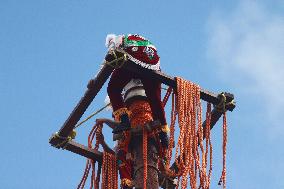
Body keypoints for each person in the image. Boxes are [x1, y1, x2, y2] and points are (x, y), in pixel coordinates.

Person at [105, 34, 169, 135]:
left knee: (113, 89)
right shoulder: (136, 39)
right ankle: (163, 132)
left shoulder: (117, 41)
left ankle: (124, 120)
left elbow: (109, 61)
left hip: (131, 63)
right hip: (152, 66)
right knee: (155, 100)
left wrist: (95, 80)